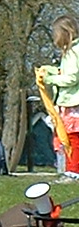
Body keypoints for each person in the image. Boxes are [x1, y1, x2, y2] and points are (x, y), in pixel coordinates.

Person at [36, 14, 79, 181]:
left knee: (73, 138)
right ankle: (71, 169)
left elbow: (72, 78)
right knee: (66, 137)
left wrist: (49, 79)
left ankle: (73, 171)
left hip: (74, 103)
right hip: (68, 102)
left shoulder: (75, 52)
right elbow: (66, 73)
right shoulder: (70, 52)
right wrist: (51, 70)